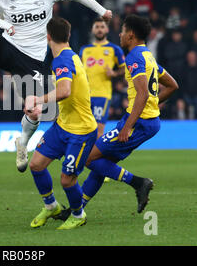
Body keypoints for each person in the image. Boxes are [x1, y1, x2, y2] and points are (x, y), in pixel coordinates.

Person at [0, 0, 112, 173]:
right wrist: (0, 22)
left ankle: (22, 143)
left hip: (33, 60)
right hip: (8, 49)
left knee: (34, 110)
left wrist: (102, 10)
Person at [62, 15, 179, 220]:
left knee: (89, 156)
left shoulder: (134, 56)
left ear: (131, 35)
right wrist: (153, 103)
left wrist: (128, 127)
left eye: (123, 31)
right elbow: (172, 85)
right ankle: (76, 209)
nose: (120, 34)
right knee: (103, 161)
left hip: (138, 122)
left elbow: (142, 94)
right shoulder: (147, 56)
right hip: (146, 121)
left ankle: (138, 182)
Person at [24, 17, 98, 230]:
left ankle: (78, 214)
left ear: (47, 37)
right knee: (36, 165)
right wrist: (44, 108)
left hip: (81, 131)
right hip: (63, 125)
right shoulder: (69, 55)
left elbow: (65, 91)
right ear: (68, 35)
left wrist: (37, 100)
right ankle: (51, 206)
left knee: (67, 180)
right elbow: (71, 94)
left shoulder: (62, 60)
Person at [79, 17, 125, 138]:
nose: (100, 30)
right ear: (93, 30)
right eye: (97, 27)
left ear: (107, 30)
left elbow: (125, 68)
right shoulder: (84, 50)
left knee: (98, 131)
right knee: (82, 129)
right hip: (84, 95)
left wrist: (114, 73)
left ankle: (96, 156)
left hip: (102, 94)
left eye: (102, 27)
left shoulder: (114, 49)